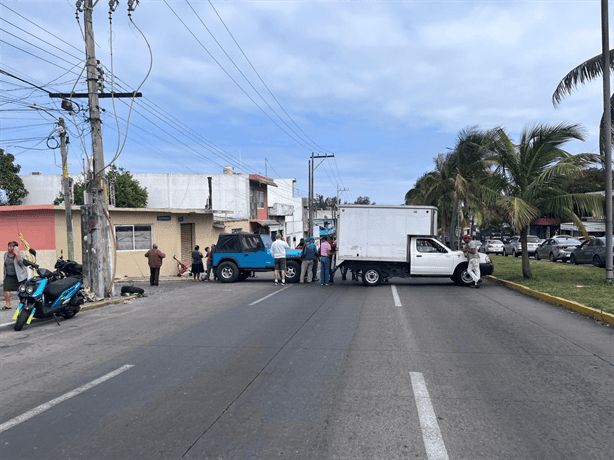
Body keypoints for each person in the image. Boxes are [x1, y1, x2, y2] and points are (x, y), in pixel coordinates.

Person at [3, 241, 27, 310]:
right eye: (8, 246)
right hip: (8, 275)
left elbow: (22, 264)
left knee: (21, 291)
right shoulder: (5, 254)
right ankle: (8, 305)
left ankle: (22, 304)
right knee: (6, 289)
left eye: (10, 246)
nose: (8, 248)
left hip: (19, 276)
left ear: (15, 247)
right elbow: (5, 264)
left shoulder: (20, 253)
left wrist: (18, 255)